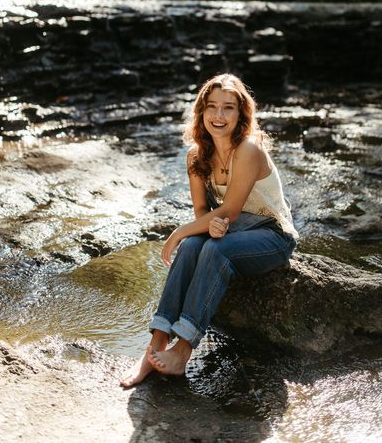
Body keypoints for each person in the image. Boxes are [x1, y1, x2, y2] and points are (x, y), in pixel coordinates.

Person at [120, 73, 298, 387]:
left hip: (272, 235)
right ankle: (155, 347)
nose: (218, 115)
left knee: (211, 248)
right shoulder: (196, 156)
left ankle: (183, 349)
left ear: (242, 114)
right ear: (201, 112)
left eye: (228, 108)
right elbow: (204, 211)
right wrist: (205, 227)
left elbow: (229, 209)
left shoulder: (248, 150)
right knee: (191, 247)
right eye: (211, 107)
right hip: (235, 228)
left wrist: (179, 232)